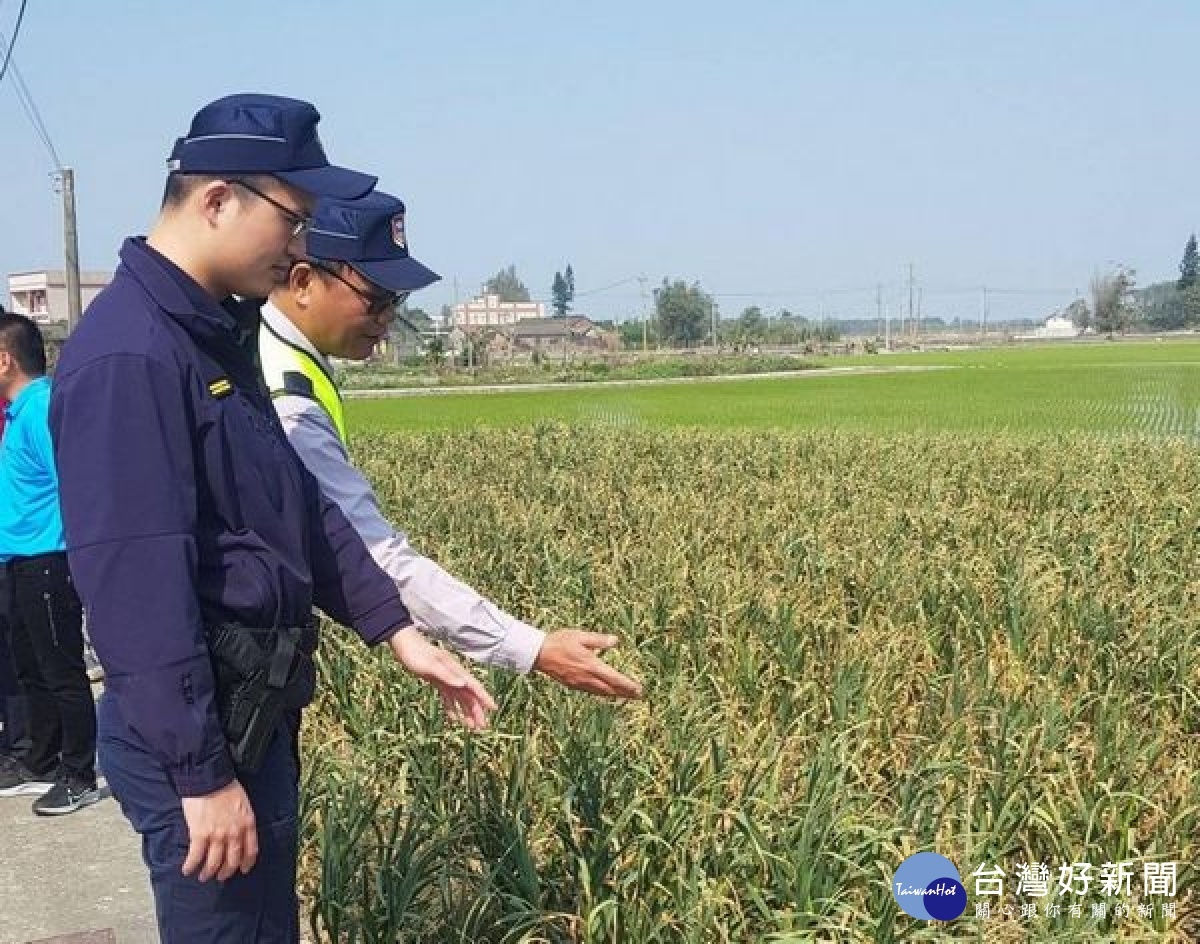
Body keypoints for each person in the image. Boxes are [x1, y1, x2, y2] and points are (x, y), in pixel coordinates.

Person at [50, 93, 496, 942]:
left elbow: (294, 504)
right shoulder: (130, 357)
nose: (301, 249)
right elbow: (134, 586)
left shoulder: (211, 336)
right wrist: (200, 774)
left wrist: (396, 631)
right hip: (203, 735)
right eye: (294, 221)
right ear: (218, 199)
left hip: (248, 719)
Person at [261, 191, 643, 698]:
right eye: (375, 299)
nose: (387, 318)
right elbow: (375, 556)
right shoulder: (289, 402)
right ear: (304, 281)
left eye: (397, 301)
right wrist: (531, 647)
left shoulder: (281, 352)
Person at [0, 312, 98, 814]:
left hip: (47, 560)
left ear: (5, 360)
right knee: (32, 668)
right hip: (19, 560)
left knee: (61, 671)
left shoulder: (39, 409)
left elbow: (71, 482)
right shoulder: (18, 412)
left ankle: (78, 772)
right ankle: (39, 760)